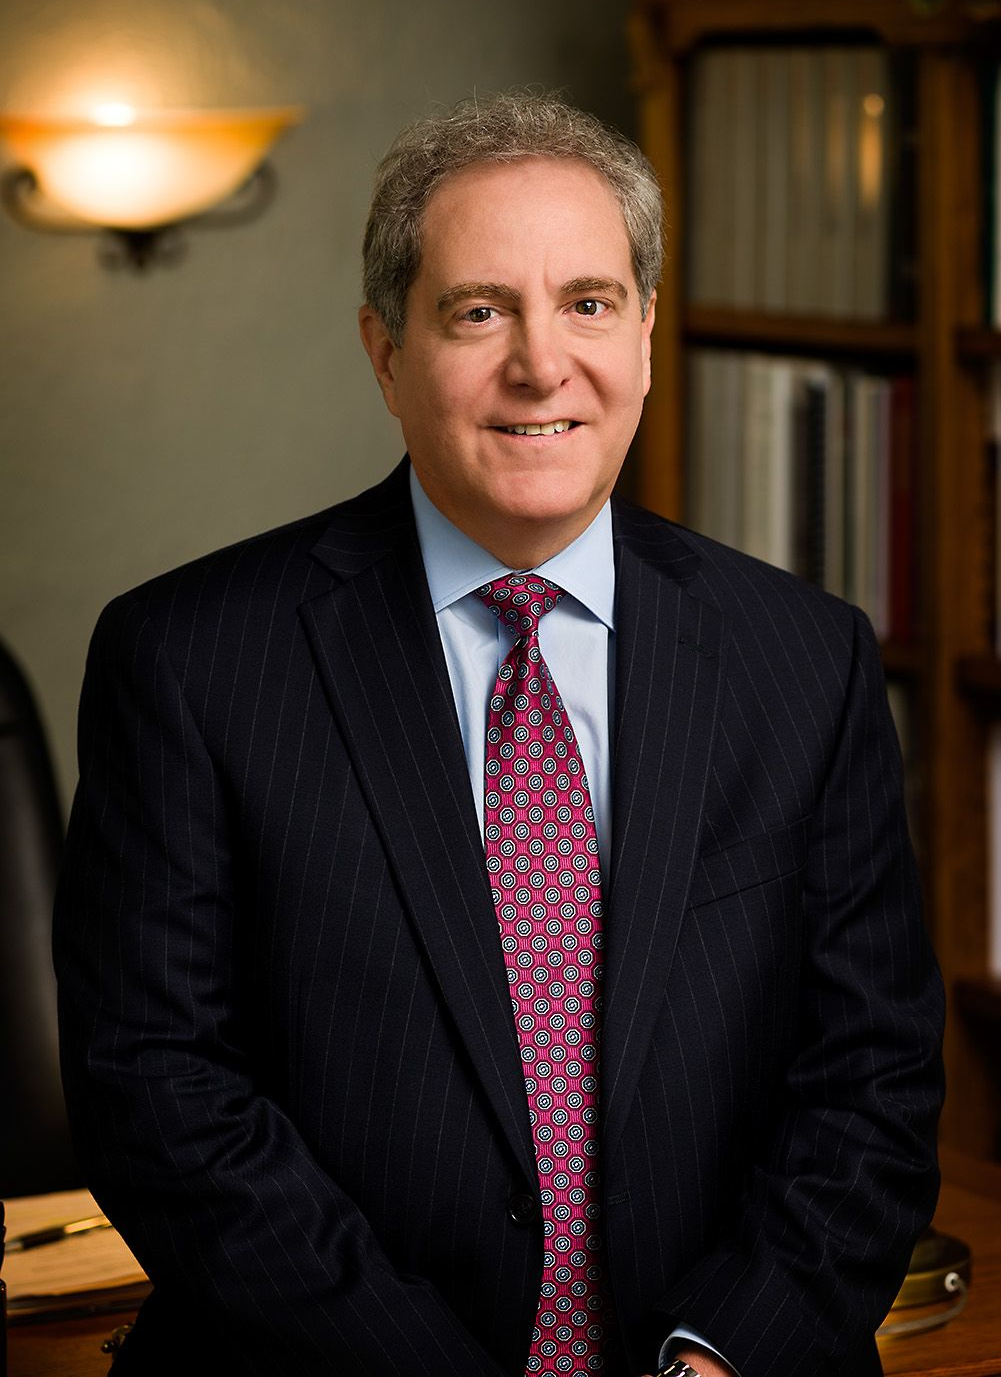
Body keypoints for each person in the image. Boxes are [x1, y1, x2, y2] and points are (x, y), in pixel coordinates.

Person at [54, 92, 944, 1377]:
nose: (541, 364)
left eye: (587, 303)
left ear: (644, 332)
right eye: (478, 312)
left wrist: (714, 1357)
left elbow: (870, 1076)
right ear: (384, 351)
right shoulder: (189, 661)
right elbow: (156, 1090)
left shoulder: (805, 658)